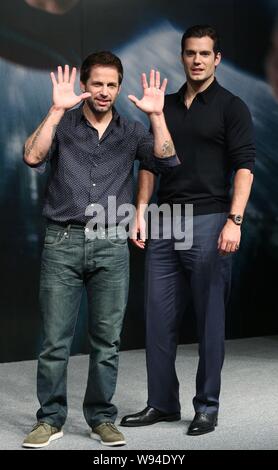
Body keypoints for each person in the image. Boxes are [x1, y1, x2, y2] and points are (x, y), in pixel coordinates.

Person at [22, 51, 179, 448]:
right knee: (55, 340)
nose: (104, 92)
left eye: (111, 85)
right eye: (97, 84)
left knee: (106, 340)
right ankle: (51, 419)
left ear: (119, 87)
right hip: (63, 241)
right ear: (85, 85)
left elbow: (167, 160)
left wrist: (158, 117)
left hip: (111, 242)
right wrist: (56, 111)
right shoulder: (64, 124)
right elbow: (32, 156)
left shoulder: (131, 131)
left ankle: (101, 418)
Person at [121, 25, 255, 435]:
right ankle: (161, 403)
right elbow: (149, 164)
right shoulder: (165, 106)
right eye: (190, 53)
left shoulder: (232, 107)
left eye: (204, 54)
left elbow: (245, 167)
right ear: (182, 57)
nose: (196, 60)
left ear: (216, 59)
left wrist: (234, 220)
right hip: (165, 222)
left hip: (211, 219)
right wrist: (141, 211)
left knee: (210, 320)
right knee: (158, 320)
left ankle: (206, 407)